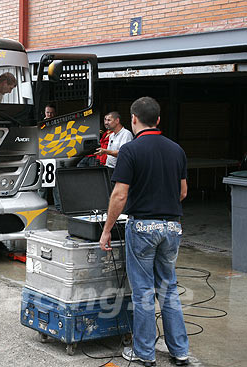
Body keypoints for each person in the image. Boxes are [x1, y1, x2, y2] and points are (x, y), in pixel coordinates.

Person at [99, 97, 189, 367]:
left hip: (143, 227)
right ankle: (180, 352)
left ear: (134, 119)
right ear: (158, 120)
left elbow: (119, 195)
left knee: (143, 293)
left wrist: (106, 231)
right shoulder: (177, 150)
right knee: (169, 289)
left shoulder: (131, 150)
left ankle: (145, 353)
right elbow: (183, 192)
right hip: (172, 226)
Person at [39, 104, 62, 212]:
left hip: (54, 157)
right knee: (42, 183)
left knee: (56, 184)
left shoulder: (59, 125)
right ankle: (40, 207)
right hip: (43, 157)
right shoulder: (39, 125)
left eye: (51, 113)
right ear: (44, 113)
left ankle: (59, 207)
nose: (49, 115)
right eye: (48, 112)